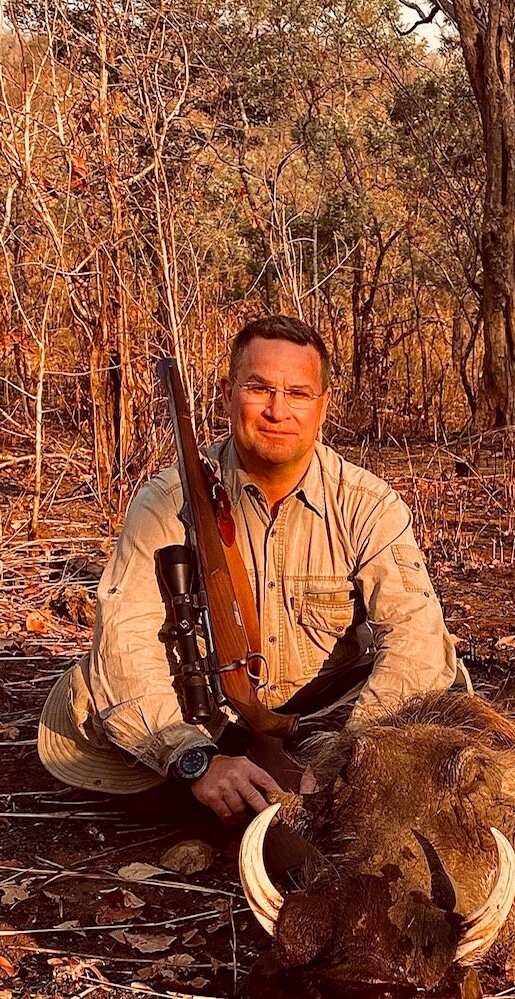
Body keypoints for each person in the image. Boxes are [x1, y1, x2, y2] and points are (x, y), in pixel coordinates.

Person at [38, 315, 458, 822]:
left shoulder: (370, 505)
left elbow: (415, 638)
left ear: (323, 406)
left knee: (445, 702)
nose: (279, 410)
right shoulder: (164, 503)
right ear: (226, 393)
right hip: (206, 719)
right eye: (259, 388)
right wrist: (193, 756)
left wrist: (349, 758)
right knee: (98, 704)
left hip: (330, 721)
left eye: (298, 393)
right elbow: (127, 641)